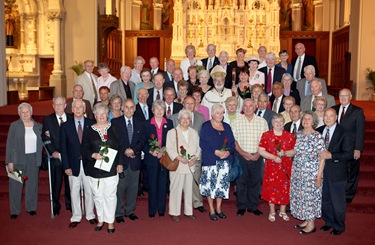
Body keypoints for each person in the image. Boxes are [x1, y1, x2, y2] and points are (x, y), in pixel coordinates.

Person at [81, 103, 124, 233]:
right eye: (98, 114)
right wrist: (93, 154)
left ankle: (110, 221)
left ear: (107, 115)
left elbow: (121, 147)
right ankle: (101, 219)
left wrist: (120, 163)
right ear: (94, 116)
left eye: (103, 114)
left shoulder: (114, 128)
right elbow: (83, 148)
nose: (101, 116)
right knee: (98, 195)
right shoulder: (89, 130)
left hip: (111, 169)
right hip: (94, 170)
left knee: (110, 195)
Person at [60, 99, 96, 228]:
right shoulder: (65, 126)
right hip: (72, 164)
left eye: (81, 107)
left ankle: (90, 215)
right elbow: (63, 148)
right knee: (74, 191)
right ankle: (76, 216)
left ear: (84, 109)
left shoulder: (92, 124)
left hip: (88, 164)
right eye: (76, 107)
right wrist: (66, 166)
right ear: (72, 109)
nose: (79, 109)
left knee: (89, 190)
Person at [287, 111, 325, 235]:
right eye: (304, 119)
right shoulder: (299, 134)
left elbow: (322, 157)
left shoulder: (317, 136)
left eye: (308, 119)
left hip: (311, 173)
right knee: (301, 197)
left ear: (313, 121)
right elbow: (296, 151)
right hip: (298, 171)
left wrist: (319, 176)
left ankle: (311, 224)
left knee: (310, 198)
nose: (305, 121)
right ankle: (305, 219)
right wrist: (285, 152)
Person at [317, 108, 353, 236]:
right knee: (325, 199)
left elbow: (349, 154)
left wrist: (331, 155)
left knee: (337, 201)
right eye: (326, 116)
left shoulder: (344, 133)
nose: (328, 118)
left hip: (337, 173)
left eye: (331, 116)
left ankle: (339, 225)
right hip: (321, 172)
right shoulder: (320, 131)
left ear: (336, 117)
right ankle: (329, 222)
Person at [232, 99, 268, 216]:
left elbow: (265, 141)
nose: (248, 108)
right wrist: (243, 153)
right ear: (242, 108)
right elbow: (234, 141)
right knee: (241, 182)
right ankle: (241, 206)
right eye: (245, 106)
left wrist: (258, 154)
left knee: (255, 182)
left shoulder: (262, 121)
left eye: (250, 106)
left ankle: (253, 206)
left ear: (255, 107)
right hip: (242, 156)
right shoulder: (237, 121)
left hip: (257, 156)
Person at [6, 103, 43, 219]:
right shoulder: (14, 126)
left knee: (32, 185)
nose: (25, 114)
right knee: (15, 185)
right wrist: (9, 161)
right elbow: (9, 144)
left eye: (27, 112)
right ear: (19, 113)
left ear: (31, 112)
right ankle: (14, 210)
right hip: (17, 159)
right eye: (23, 112)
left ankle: (31, 208)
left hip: (33, 158)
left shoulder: (38, 126)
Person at [170, 96, 206, 212]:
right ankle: (176, 208)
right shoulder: (174, 117)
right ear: (183, 104)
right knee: (178, 185)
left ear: (195, 104)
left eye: (192, 103)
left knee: (194, 183)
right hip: (179, 159)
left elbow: (201, 139)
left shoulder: (201, 117)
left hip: (194, 158)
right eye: (187, 103)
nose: (189, 106)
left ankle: (197, 203)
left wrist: (196, 157)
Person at [112, 99, 145, 223]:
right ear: (122, 108)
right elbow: (114, 141)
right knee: (120, 188)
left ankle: (130, 210)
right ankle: (119, 212)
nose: (129, 110)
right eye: (126, 107)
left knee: (133, 188)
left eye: (132, 107)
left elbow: (142, 141)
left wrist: (134, 150)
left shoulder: (140, 123)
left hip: (135, 160)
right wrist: (125, 150)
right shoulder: (115, 122)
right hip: (121, 161)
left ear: (135, 109)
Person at [200, 104, 235, 221]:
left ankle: (219, 209)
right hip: (210, 161)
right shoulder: (206, 126)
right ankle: (211, 209)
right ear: (212, 114)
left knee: (221, 186)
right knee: (210, 186)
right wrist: (215, 152)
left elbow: (232, 144)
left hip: (224, 162)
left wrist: (228, 153)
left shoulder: (227, 126)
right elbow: (203, 144)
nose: (220, 115)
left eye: (222, 113)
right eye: (218, 113)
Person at [258, 114, 296, 222]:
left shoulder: (289, 136)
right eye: (276, 122)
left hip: (286, 167)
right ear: (272, 123)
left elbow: (295, 151)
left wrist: (285, 153)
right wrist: (273, 157)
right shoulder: (267, 135)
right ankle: (272, 211)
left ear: (283, 123)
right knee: (271, 188)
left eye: (280, 121)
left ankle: (282, 211)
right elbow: (261, 150)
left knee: (285, 188)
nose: (278, 124)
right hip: (272, 166)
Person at [166, 109, 201, 222]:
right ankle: (174, 212)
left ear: (190, 120)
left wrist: (195, 158)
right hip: (178, 165)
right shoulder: (172, 132)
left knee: (189, 189)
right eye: (183, 118)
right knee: (176, 189)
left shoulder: (194, 132)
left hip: (190, 166)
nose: (185, 120)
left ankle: (188, 211)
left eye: (188, 118)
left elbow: (199, 148)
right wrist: (180, 158)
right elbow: (169, 149)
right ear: (179, 119)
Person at [332, 88, 365, 203]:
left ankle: (348, 195)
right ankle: (338, 192)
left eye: (345, 96)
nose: (343, 98)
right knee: (340, 170)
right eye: (341, 96)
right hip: (337, 147)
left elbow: (360, 131)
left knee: (352, 172)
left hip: (351, 148)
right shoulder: (334, 110)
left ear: (350, 96)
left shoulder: (357, 111)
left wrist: (358, 148)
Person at [143, 100, 174, 218]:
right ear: (153, 110)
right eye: (157, 109)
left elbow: (171, 141)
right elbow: (143, 142)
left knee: (163, 184)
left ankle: (161, 209)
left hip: (164, 158)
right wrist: (151, 151)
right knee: (152, 184)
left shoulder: (169, 123)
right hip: (151, 158)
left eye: (162, 109)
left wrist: (164, 150)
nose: (160, 111)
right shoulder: (146, 124)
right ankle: (151, 210)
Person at [42, 96, 73, 216]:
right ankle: (55, 206)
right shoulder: (48, 120)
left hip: (70, 157)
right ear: (53, 106)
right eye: (56, 104)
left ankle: (70, 204)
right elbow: (45, 137)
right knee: (56, 184)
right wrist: (52, 151)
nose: (59, 106)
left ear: (65, 105)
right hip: (56, 157)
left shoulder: (71, 118)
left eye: (61, 104)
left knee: (70, 183)